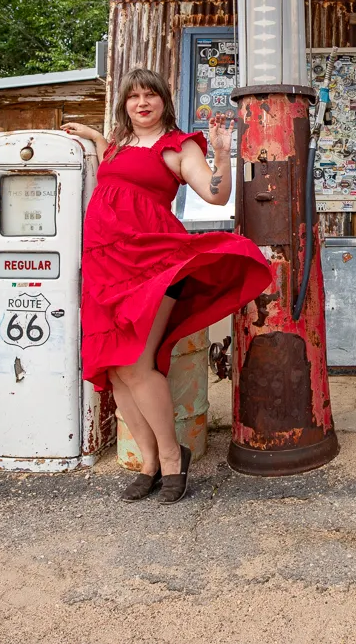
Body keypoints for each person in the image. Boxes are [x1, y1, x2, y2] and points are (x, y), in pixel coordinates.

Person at [63, 69, 271, 504]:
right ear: (124, 105)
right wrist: (90, 134)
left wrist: (220, 155)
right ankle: (150, 462)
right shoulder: (116, 148)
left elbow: (215, 195)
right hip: (104, 264)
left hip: (153, 262)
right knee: (116, 369)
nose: (142, 102)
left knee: (137, 364)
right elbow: (110, 164)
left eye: (150, 95)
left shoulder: (177, 146)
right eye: (133, 96)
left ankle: (174, 457)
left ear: (163, 102)